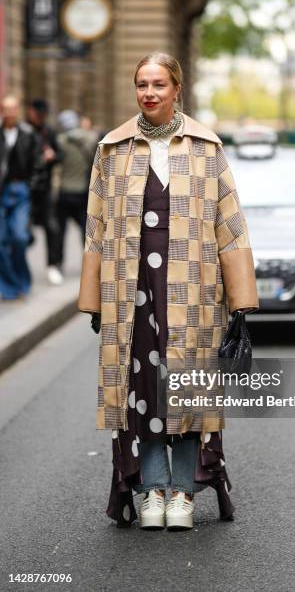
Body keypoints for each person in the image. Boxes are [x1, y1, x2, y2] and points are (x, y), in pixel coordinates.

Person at [77, 52, 259, 531]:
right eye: (142, 84)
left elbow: (231, 227)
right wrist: (93, 300)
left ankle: (183, 492)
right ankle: (151, 488)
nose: (150, 93)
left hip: (195, 291)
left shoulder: (205, 146)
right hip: (130, 291)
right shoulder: (111, 149)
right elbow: (95, 228)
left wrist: (240, 303)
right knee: (141, 391)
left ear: (178, 88)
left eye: (159, 84)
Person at [0, 96, 40, 300]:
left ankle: (22, 282)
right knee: (1, 241)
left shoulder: (28, 133)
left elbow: (37, 164)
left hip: (21, 190)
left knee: (19, 237)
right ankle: (8, 287)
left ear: (18, 110)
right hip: (1, 190)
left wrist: (30, 187)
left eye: (13, 109)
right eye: (6, 109)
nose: (10, 113)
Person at [54, 110, 98, 283]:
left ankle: (57, 264)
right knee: (85, 232)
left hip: (64, 191)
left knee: (60, 232)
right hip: (83, 192)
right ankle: (89, 266)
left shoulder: (60, 141)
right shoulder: (90, 138)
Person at [26, 98, 63, 285]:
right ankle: (19, 270)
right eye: (37, 113)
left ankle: (52, 265)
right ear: (30, 111)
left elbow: (60, 154)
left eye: (43, 115)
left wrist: (53, 155)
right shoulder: (23, 130)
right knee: (23, 232)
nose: (39, 117)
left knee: (52, 227)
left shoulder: (49, 132)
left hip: (45, 188)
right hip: (25, 189)